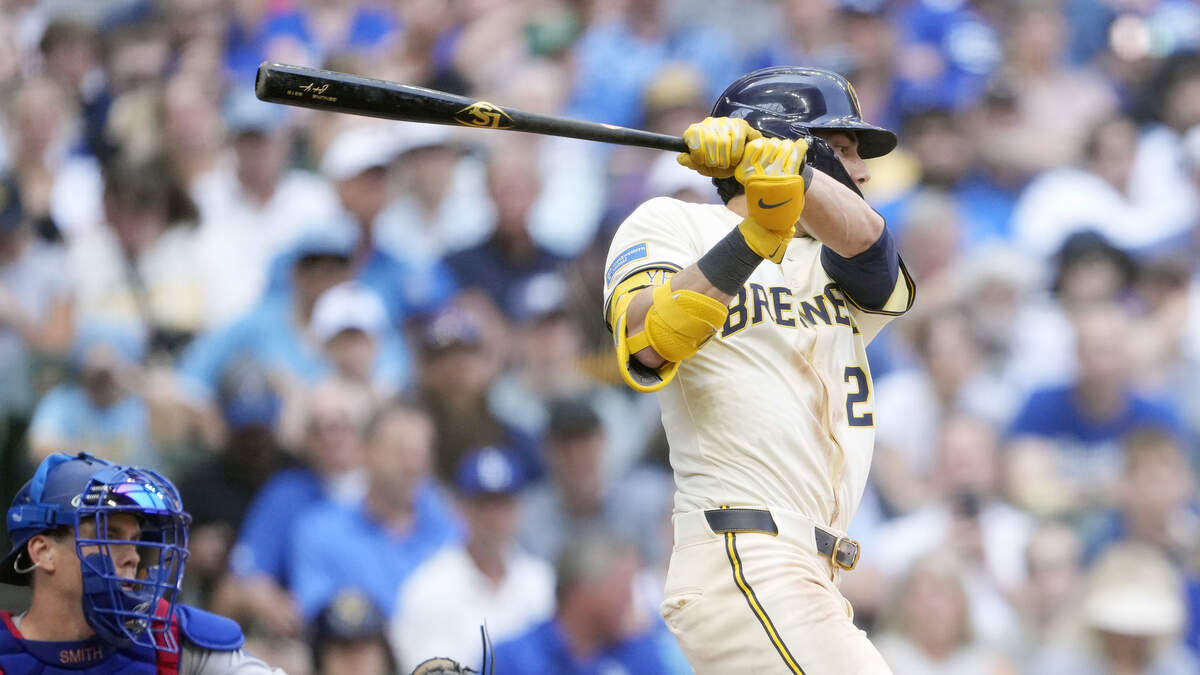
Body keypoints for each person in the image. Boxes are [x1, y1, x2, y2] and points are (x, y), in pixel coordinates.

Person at [602, 66, 913, 673]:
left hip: (819, 576)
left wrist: (790, 167)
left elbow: (872, 249)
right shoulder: (675, 222)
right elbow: (650, 340)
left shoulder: (834, 258)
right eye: (844, 147)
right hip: (742, 552)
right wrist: (751, 238)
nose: (865, 170)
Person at [0, 451, 285, 673]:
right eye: (109, 536)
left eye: (135, 540)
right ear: (43, 552)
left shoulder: (167, 639)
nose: (133, 556)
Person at [391, 446, 554, 672]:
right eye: (483, 505)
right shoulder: (428, 587)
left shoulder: (541, 581)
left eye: (503, 504)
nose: (494, 518)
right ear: (460, 508)